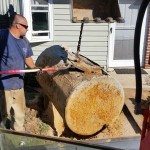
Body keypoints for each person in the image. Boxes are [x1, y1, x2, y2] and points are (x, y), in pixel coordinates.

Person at [0, 14, 37, 132]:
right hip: (4, 85)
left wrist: (38, 70)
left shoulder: (24, 41)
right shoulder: (2, 36)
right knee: (2, 113)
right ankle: (2, 134)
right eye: (26, 26)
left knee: (20, 114)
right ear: (18, 26)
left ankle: (19, 134)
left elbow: (28, 60)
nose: (28, 29)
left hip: (19, 84)